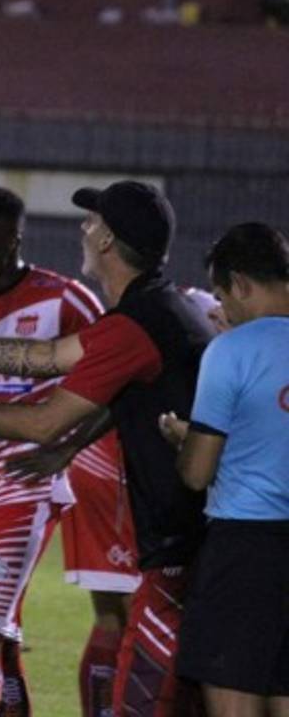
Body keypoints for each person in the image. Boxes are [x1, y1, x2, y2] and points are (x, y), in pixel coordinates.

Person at [0, 180, 213, 716]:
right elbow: (46, 358)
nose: (82, 229)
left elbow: (48, 415)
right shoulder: (146, 315)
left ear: (107, 240)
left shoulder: (106, 311)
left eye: (91, 222)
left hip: (70, 506)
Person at [158, 222, 289, 717]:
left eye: (220, 295)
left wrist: (183, 437)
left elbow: (197, 471)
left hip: (245, 550)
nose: (222, 310)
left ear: (239, 284)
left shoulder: (230, 351)